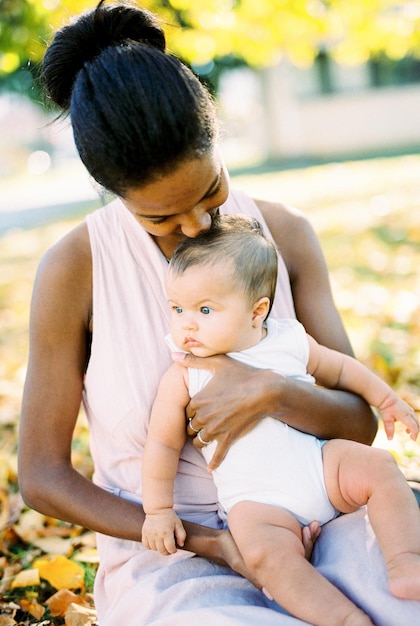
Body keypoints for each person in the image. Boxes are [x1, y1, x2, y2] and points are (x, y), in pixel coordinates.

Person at [17, 1, 420, 624]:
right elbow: (42, 475)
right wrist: (207, 542)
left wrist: (268, 391)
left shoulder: (285, 235)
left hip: (318, 512)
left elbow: (357, 424)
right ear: (114, 193)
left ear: (217, 141)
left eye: (212, 191)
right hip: (171, 555)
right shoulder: (76, 269)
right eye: (161, 217)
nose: (197, 225)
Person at [141, 214, 420, 626]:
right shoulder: (185, 374)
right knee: (266, 557)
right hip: (259, 502)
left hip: (320, 468)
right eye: (177, 308)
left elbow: (343, 371)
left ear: (258, 312)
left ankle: (405, 562)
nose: (187, 323)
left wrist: (387, 399)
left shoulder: (288, 340)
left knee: (379, 466)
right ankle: (343, 618)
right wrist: (158, 510)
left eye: (204, 309)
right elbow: (162, 444)